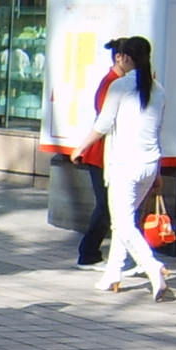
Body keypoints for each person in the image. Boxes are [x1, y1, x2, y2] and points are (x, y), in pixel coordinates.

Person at [68, 35, 170, 301]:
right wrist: (158, 172)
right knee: (123, 221)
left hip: (125, 164)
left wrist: (80, 147)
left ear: (125, 57)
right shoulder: (158, 90)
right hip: (149, 164)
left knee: (122, 223)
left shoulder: (120, 86)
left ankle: (152, 265)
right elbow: (158, 131)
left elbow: (103, 124)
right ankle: (112, 274)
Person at [71, 42, 120, 267]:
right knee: (105, 205)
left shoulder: (117, 83)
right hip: (101, 153)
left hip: (108, 152)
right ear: (120, 57)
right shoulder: (112, 84)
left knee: (109, 206)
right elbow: (104, 121)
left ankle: (92, 252)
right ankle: (88, 252)